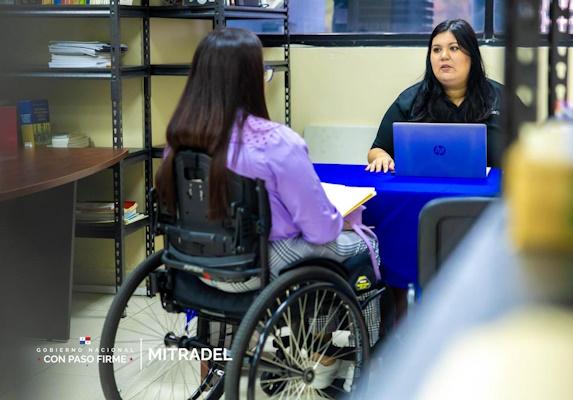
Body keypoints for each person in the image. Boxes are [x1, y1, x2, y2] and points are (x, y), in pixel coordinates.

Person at [154, 28, 380, 389]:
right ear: (250, 79)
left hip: (197, 264)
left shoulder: (179, 141)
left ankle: (233, 359)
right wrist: (342, 219)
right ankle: (341, 358)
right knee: (364, 245)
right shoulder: (277, 143)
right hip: (260, 263)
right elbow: (321, 230)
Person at [367, 19, 510, 173]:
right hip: (423, 186)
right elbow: (377, 150)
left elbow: (527, 148)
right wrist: (381, 157)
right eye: (436, 50)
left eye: (454, 48)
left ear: (472, 55)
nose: (443, 56)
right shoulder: (410, 100)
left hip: (490, 187)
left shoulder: (502, 98)